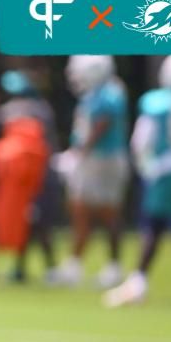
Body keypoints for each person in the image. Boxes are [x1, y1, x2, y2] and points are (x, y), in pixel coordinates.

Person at [104, 55, 171, 306]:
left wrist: (148, 168)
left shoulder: (158, 104)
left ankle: (138, 281)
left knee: (154, 228)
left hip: (168, 170)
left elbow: (141, 141)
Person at [50, 55, 129, 288]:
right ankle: (75, 264)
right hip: (91, 158)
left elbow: (101, 125)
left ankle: (113, 266)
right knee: (79, 209)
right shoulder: (94, 93)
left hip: (104, 159)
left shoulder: (110, 93)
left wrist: (79, 153)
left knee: (107, 211)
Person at [0, 69, 60, 282]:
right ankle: (24, 268)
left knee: (36, 223)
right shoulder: (44, 109)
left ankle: (50, 268)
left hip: (36, 178)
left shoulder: (22, 110)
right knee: (29, 224)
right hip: (29, 178)